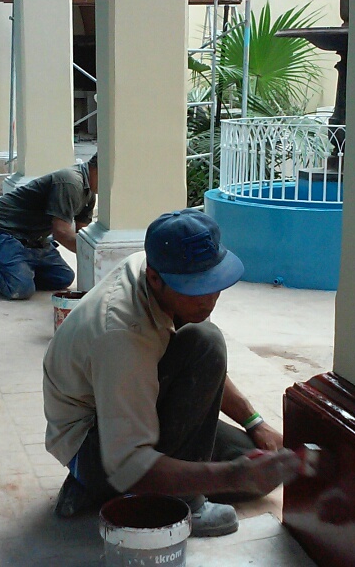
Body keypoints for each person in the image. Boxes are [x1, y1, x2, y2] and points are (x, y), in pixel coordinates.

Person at [41, 209, 300, 537]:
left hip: (126, 401)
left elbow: (201, 368)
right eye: (196, 288)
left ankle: (112, 491)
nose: (209, 299)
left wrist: (255, 423)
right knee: (234, 471)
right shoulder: (121, 335)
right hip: (90, 440)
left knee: (253, 465)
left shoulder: (158, 270)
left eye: (214, 282)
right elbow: (129, 463)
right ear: (154, 279)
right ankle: (177, 504)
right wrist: (230, 475)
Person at [0, 155, 98, 299]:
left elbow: (83, 235)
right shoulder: (70, 182)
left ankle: (18, 267)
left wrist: (93, 256)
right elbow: (61, 232)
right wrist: (95, 256)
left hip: (32, 240)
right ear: (101, 170)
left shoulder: (89, 193)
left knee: (62, 277)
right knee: (20, 288)